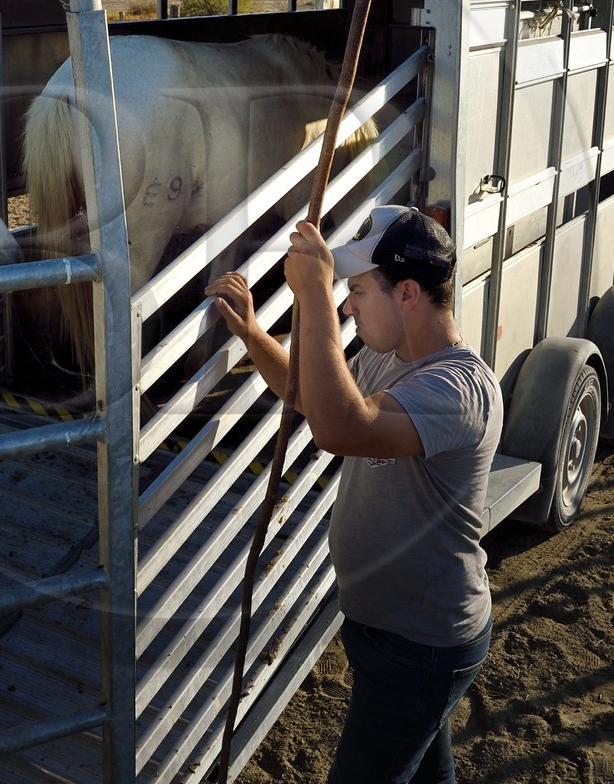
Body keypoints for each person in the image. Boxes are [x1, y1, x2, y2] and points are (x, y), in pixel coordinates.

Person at [205, 204, 503, 784]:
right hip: (387, 630)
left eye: (358, 291)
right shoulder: (386, 359)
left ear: (408, 293)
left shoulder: (460, 388)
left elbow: (340, 429)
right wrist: (251, 333)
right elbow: (313, 396)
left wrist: (313, 295)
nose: (346, 304)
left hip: (421, 645)